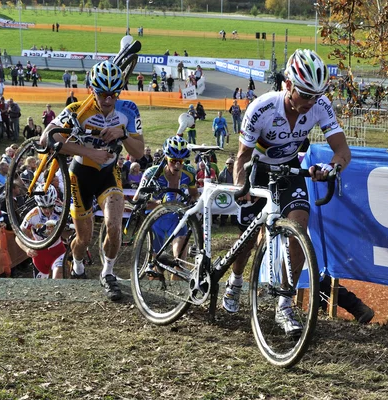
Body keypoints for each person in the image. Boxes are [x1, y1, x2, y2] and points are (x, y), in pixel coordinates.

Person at [221, 49, 373, 332]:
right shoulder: (262, 108)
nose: (310, 103)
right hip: (258, 167)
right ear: (288, 85)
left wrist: (331, 169)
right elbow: (242, 156)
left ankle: (285, 303)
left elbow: (342, 151)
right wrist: (242, 187)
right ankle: (236, 280)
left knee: (300, 223)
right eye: (304, 95)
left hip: (288, 168)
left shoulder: (319, 105)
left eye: (315, 96)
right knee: (250, 234)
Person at [40, 60, 145, 301]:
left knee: (114, 226)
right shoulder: (80, 109)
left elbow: (139, 152)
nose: (107, 100)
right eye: (101, 93)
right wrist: (89, 152)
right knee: (83, 239)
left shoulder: (128, 110)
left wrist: (123, 133)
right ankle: (77, 262)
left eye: (112, 94)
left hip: (109, 174)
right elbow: (48, 138)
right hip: (81, 175)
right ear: (91, 90)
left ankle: (108, 273)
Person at [16, 186, 67, 279]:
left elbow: (69, 233)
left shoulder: (61, 209)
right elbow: (18, 236)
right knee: (40, 288)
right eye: (43, 207)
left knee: (58, 278)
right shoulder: (32, 214)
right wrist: (27, 249)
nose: (47, 211)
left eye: (50, 206)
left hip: (57, 251)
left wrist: (62, 230)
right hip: (39, 254)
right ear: (38, 204)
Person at [134, 136, 199, 208]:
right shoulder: (151, 173)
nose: (177, 165)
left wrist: (192, 199)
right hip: (152, 215)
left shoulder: (190, 173)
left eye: (180, 161)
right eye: (173, 161)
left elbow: (194, 194)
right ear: (166, 158)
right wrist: (159, 204)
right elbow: (136, 201)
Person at [217, 158, 235, 226]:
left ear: (233, 164)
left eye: (230, 163)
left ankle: (234, 221)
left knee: (234, 206)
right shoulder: (222, 173)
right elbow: (219, 182)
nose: (228, 165)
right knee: (225, 206)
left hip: (234, 192)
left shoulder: (236, 172)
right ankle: (223, 221)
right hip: (225, 192)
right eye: (227, 163)